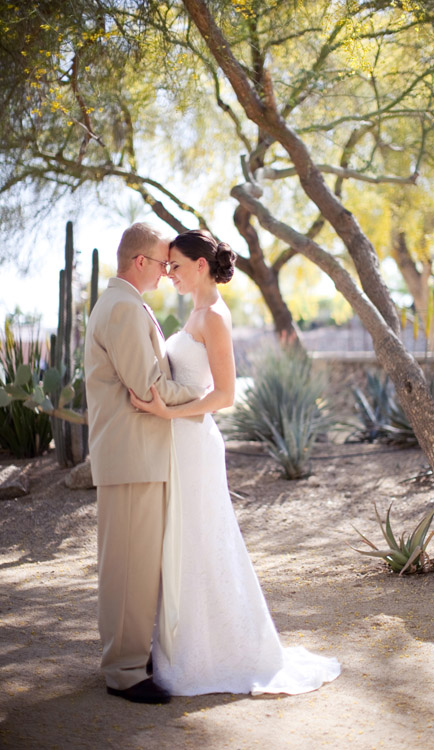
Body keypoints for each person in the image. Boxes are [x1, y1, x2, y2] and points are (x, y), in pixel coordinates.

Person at [130, 229, 341, 695]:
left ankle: (215, 654)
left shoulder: (217, 318)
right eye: (167, 267)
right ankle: (179, 644)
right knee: (183, 543)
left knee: (203, 541)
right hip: (178, 442)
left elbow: (223, 395)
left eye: (177, 266)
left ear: (201, 266)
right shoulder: (195, 310)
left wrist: (167, 411)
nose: (170, 274)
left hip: (196, 443)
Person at [84, 222, 203, 704]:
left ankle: (129, 654)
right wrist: (201, 393)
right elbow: (147, 389)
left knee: (133, 564)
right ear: (140, 262)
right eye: (162, 263)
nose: (166, 271)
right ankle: (125, 671)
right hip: (133, 455)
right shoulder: (124, 309)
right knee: (130, 567)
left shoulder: (122, 305)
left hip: (137, 455)